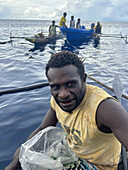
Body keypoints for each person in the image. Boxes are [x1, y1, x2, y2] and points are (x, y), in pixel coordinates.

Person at [5, 51, 128, 170]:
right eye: (56, 87)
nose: (63, 94)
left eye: (70, 84)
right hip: (73, 152)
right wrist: (14, 163)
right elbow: (42, 129)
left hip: (96, 165)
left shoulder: (105, 108)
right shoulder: (57, 101)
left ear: (84, 79)